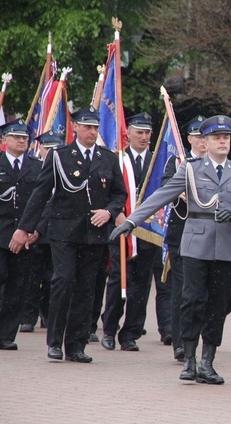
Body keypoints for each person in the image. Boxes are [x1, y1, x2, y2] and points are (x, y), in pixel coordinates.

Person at [112, 115, 231, 384]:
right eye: (216, 138)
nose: (222, 142)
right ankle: (190, 359)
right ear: (204, 142)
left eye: (226, 138)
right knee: (192, 301)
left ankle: (208, 362)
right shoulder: (191, 169)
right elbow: (162, 195)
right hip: (195, 244)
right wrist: (133, 221)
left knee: (219, 304)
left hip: (227, 246)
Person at [11, 106, 127, 363]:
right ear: (76, 127)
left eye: (96, 127)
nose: (92, 132)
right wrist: (24, 228)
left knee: (86, 288)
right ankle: (54, 342)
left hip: (94, 234)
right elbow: (40, 194)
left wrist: (109, 212)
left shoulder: (108, 158)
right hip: (63, 231)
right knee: (63, 281)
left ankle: (76, 344)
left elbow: (119, 193)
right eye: (87, 127)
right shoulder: (60, 155)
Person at [101, 111, 163, 352]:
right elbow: (110, 192)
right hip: (121, 228)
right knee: (118, 279)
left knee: (141, 284)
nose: (144, 137)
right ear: (129, 134)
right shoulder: (117, 159)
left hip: (147, 231)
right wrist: (117, 214)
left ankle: (130, 333)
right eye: (140, 132)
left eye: (148, 133)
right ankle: (109, 329)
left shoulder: (157, 161)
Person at [0, 120, 45, 350]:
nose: (21, 140)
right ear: (4, 140)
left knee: (17, 288)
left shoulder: (37, 167)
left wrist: (36, 229)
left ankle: (6, 336)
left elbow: (47, 201)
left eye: (24, 137)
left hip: (26, 237)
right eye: (16, 136)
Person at [162, 115, 207, 361]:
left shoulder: (216, 165)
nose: (202, 142)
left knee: (204, 292)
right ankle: (180, 343)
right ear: (189, 139)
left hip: (208, 237)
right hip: (181, 234)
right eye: (198, 137)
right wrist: (181, 190)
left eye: (205, 137)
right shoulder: (178, 161)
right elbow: (165, 185)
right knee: (182, 291)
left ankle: (199, 336)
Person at [20, 133, 63, 333]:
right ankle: (28, 316)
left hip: (53, 230)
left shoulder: (65, 168)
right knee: (32, 276)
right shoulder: (35, 168)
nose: (52, 152)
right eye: (48, 149)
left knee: (51, 277)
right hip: (33, 231)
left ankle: (47, 314)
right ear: (41, 149)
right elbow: (34, 201)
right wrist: (30, 228)